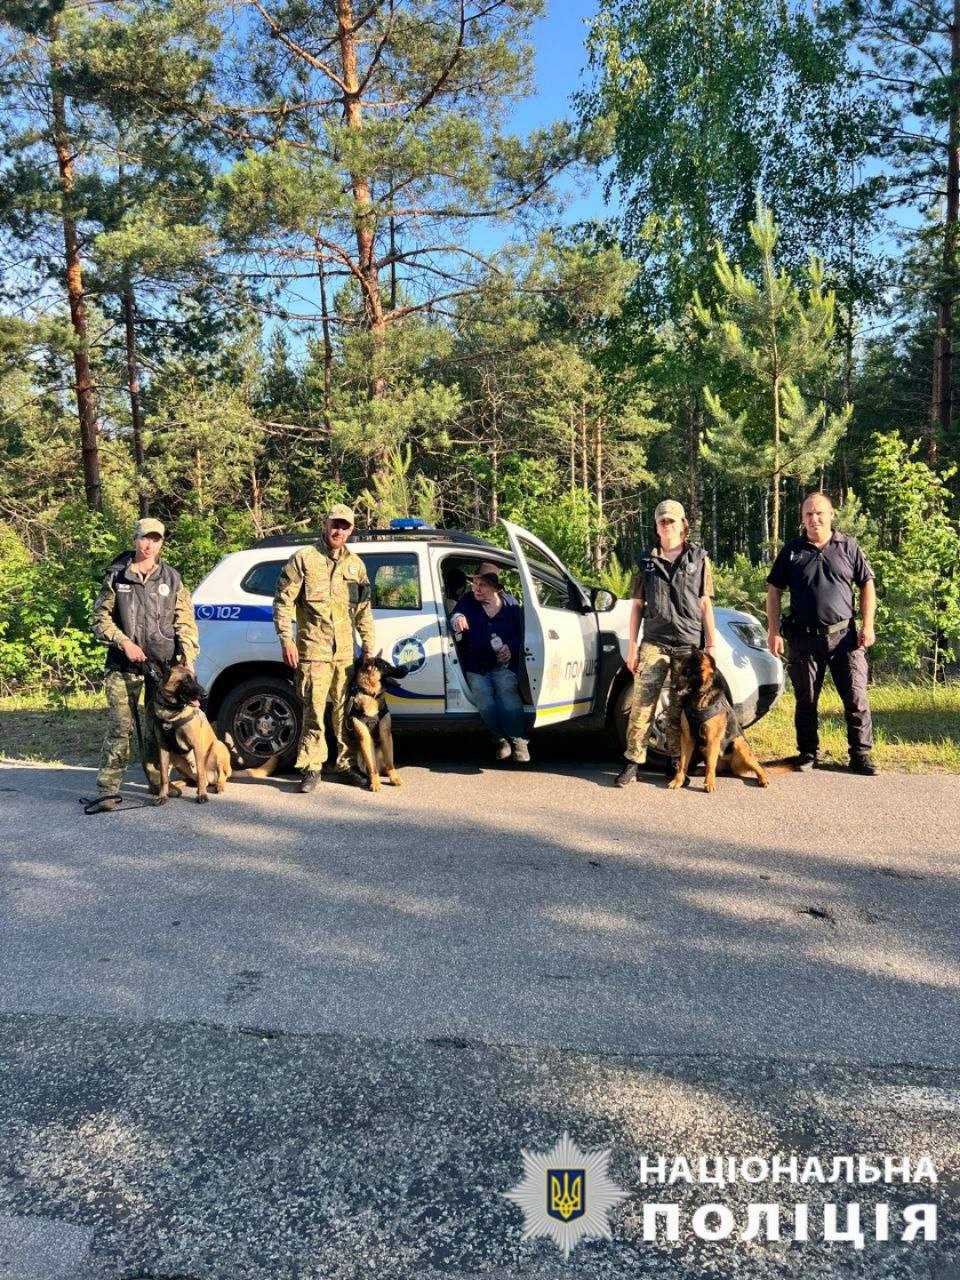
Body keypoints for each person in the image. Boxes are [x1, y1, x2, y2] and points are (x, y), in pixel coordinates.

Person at [89, 517, 199, 811]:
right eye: (144, 538)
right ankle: (108, 791)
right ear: (134, 539)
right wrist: (124, 642)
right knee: (121, 727)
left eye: (156, 539)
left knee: (156, 727)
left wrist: (188, 661)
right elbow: (99, 620)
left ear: (162, 542)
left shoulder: (172, 578)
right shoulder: (117, 576)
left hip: (160, 670)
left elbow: (185, 623)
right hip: (122, 666)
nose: (149, 545)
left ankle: (157, 781)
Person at [766, 491, 878, 775]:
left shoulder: (848, 546)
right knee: (806, 699)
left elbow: (867, 586)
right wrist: (773, 630)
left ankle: (860, 754)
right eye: (808, 514)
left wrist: (868, 625)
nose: (814, 519)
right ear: (802, 518)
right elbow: (774, 590)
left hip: (845, 638)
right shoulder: (792, 550)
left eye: (819, 513)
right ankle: (807, 752)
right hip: (803, 638)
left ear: (831, 515)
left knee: (856, 698)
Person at [273, 503, 376, 793]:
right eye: (335, 524)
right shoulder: (303, 559)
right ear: (325, 524)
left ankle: (344, 764)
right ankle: (312, 767)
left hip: (345, 653)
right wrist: (286, 639)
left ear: (351, 530)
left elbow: (364, 610)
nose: (338, 530)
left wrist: (368, 646)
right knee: (314, 711)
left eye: (345, 526)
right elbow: (283, 601)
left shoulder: (356, 566)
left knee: (343, 713)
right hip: (313, 651)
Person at [615, 499, 717, 787]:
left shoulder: (698, 559)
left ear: (683, 524)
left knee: (677, 707)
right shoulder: (646, 562)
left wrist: (711, 645)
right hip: (655, 642)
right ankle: (633, 761)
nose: (666, 525)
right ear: (656, 526)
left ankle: (675, 762)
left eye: (671, 520)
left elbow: (705, 604)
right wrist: (632, 647)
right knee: (641, 703)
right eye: (661, 521)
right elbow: (636, 606)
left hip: (687, 645)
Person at [450, 567, 530, 763]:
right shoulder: (468, 601)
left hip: (503, 665)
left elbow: (522, 635)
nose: (476, 588)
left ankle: (519, 740)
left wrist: (510, 648)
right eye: (475, 584)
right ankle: (500, 739)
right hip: (476, 665)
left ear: (496, 588)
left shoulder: (511, 604)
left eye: (482, 585)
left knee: (507, 696)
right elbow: (455, 614)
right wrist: (457, 618)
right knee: (485, 701)